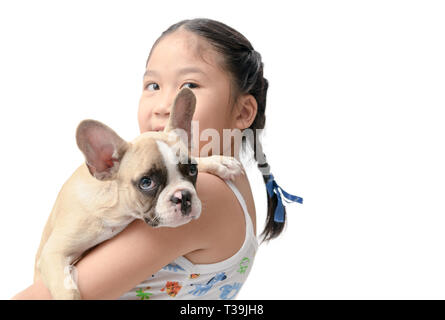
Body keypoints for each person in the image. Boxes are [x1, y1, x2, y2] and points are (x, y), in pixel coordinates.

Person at [12, 18, 301, 300]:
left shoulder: (203, 196)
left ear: (243, 113)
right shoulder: (227, 181)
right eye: (153, 86)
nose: (164, 106)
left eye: (189, 85)